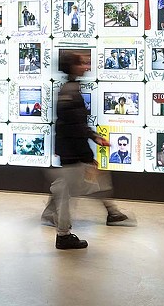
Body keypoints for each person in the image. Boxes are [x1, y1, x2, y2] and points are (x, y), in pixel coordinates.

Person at [41, 52, 130, 250]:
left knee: (67, 187)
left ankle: (58, 221)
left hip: (70, 150)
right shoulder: (70, 91)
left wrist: (94, 139)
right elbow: (74, 126)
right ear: (72, 66)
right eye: (81, 63)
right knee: (68, 189)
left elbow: (76, 124)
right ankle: (63, 234)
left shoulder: (69, 89)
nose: (86, 66)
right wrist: (88, 153)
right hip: (73, 152)